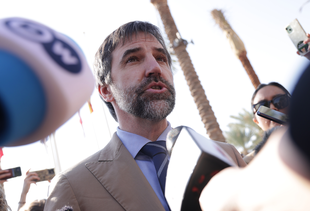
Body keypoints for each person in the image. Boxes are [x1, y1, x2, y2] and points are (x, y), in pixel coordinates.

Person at [44, 21, 246, 211]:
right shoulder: (72, 186)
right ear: (106, 91)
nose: (155, 68)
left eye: (161, 58)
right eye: (133, 59)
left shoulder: (228, 155)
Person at [200, 0, 310, 210]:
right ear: (256, 119)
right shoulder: (244, 166)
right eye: (263, 107)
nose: (273, 109)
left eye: (280, 101)